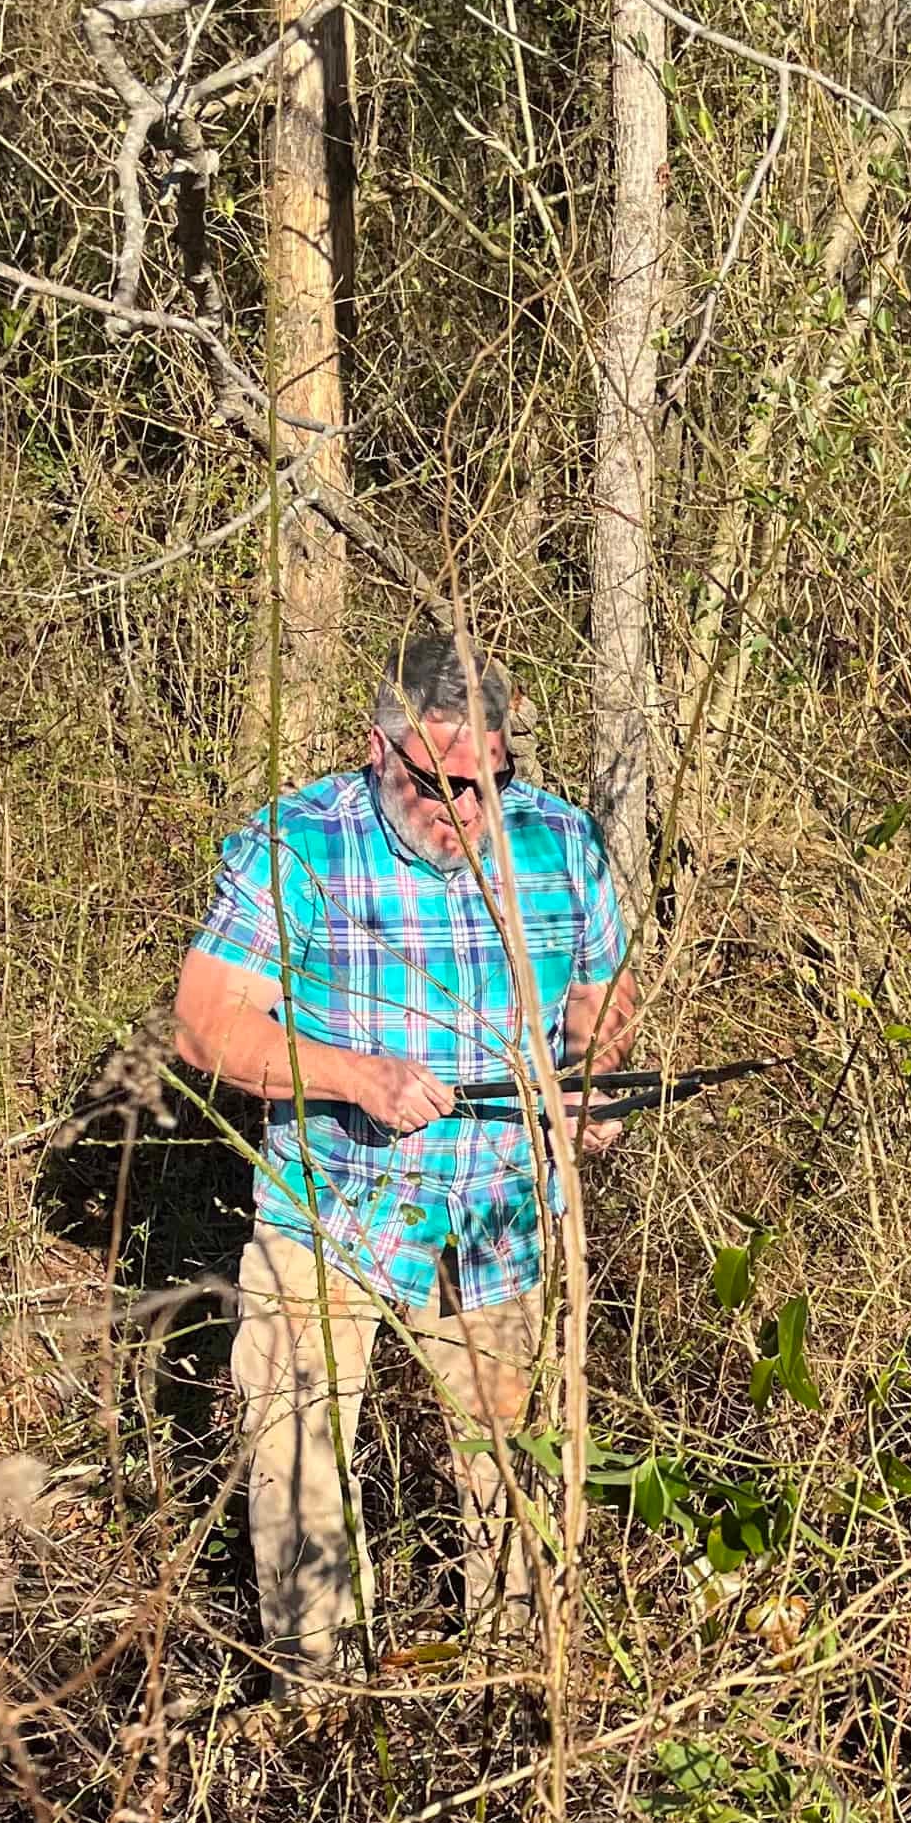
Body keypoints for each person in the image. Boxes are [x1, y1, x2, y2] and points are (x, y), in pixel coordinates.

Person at [173, 635, 632, 1683]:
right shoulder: (298, 845)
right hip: (329, 1216)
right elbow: (205, 1028)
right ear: (375, 747)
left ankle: (517, 1689)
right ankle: (320, 1699)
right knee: (297, 1471)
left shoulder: (562, 844)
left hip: (502, 1230)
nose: (461, 809)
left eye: (485, 783)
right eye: (431, 782)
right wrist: (350, 1076)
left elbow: (601, 1003)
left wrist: (590, 1090)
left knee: (523, 1487)